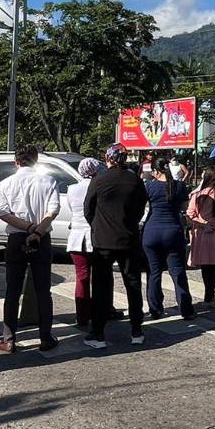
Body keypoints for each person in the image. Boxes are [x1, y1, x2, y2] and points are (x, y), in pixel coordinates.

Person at [0, 145, 60, 354]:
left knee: (12, 290)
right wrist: (37, 232)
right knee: (43, 290)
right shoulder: (48, 180)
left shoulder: (5, 183)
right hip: (41, 238)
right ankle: (45, 337)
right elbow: (53, 210)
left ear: (16, 162)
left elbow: (2, 213)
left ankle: (9, 338)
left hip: (16, 238)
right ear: (36, 160)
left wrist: (27, 228)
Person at [84, 143, 148, 348]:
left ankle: (98, 333)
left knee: (101, 288)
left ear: (109, 158)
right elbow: (141, 207)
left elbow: (88, 209)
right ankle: (137, 330)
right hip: (129, 238)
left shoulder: (99, 180)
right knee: (133, 284)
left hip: (103, 240)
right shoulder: (135, 180)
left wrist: (98, 225)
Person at [143, 159, 194, 320]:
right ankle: (186, 309)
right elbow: (185, 208)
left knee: (154, 272)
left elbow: (144, 207)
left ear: (156, 171)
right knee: (178, 271)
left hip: (152, 232)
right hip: (173, 231)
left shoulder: (149, 186)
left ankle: (155, 309)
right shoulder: (179, 186)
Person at [187, 165, 215, 308]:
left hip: (203, 232)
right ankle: (210, 297)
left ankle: (208, 297)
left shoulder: (198, 194)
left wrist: (202, 222)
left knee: (205, 266)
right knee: (214, 266)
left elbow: (190, 214)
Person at [66, 158, 100, 328]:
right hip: (96, 236)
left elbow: (73, 210)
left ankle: (82, 316)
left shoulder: (72, 189)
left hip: (77, 236)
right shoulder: (99, 186)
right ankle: (100, 311)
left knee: (82, 278)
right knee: (100, 277)